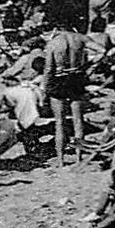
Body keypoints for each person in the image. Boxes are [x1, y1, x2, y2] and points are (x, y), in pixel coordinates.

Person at [39, 19, 91, 167]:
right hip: (76, 77)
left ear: (56, 28)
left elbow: (49, 69)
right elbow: (101, 50)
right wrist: (87, 67)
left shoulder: (54, 43)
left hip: (59, 78)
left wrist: (45, 88)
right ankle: (79, 157)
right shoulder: (80, 38)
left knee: (60, 123)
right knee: (78, 121)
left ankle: (61, 160)